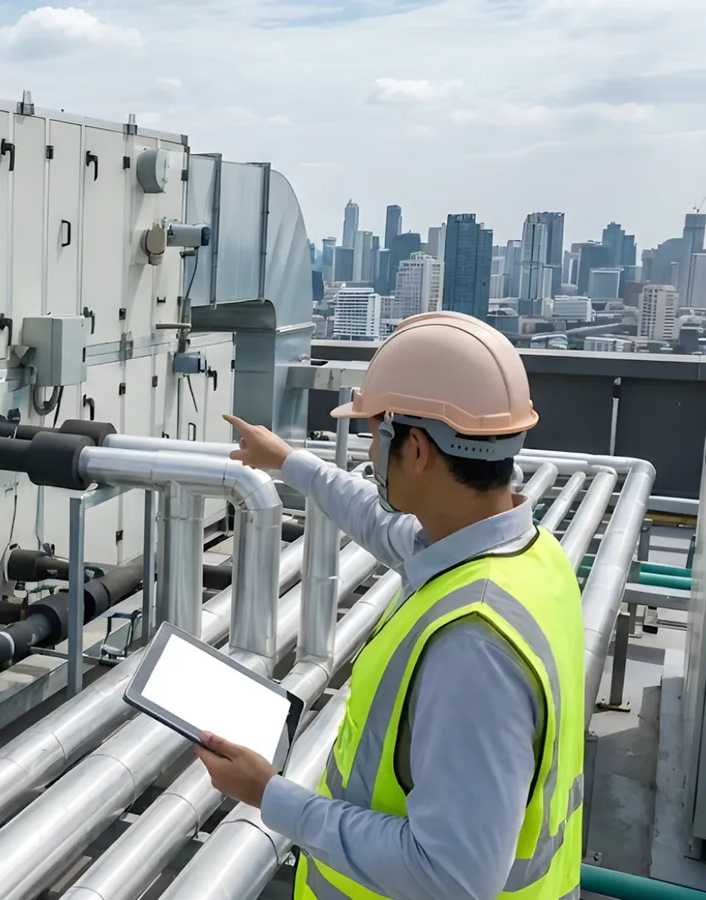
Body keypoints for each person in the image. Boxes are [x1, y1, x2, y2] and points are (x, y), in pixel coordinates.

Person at [193, 311, 585, 900]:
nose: (371, 453)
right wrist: (287, 461)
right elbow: (379, 523)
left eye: (377, 434)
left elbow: (450, 877)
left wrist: (269, 794)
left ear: (419, 449)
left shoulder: (474, 645)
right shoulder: (526, 553)